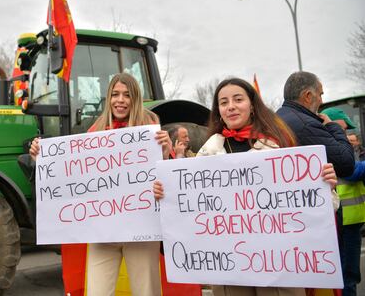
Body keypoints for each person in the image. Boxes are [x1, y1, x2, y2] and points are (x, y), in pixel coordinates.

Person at [154, 77, 338, 296]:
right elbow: (188, 210)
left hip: (278, 264)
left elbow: (313, 205)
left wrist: (324, 183)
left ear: (252, 105)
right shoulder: (206, 153)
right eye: (223, 102)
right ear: (219, 111)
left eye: (238, 99)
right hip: (229, 267)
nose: (230, 106)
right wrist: (165, 194)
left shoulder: (280, 145)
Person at [30, 73, 172, 296]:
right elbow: (73, 174)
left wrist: (165, 152)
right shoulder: (94, 132)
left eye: (127, 95)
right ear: (108, 98)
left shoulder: (152, 129)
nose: (120, 100)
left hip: (141, 230)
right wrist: (44, 158)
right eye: (115, 94)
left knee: (147, 291)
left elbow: (169, 179)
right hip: (103, 232)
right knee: (96, 291)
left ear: (135, 99)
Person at [276, 71, 355, 178]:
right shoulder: (307, 125)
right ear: (308, 96)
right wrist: (332, 125)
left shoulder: (276, 119)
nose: (321, 101)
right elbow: (346, 165)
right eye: (320, 94)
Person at [321, 107, 365, 296]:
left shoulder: (341, 147)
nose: (346, 134)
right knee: (348, 275)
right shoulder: (333, 148)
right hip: (343, 221)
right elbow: (351, 171)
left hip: (351, 220)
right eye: (343, 129)